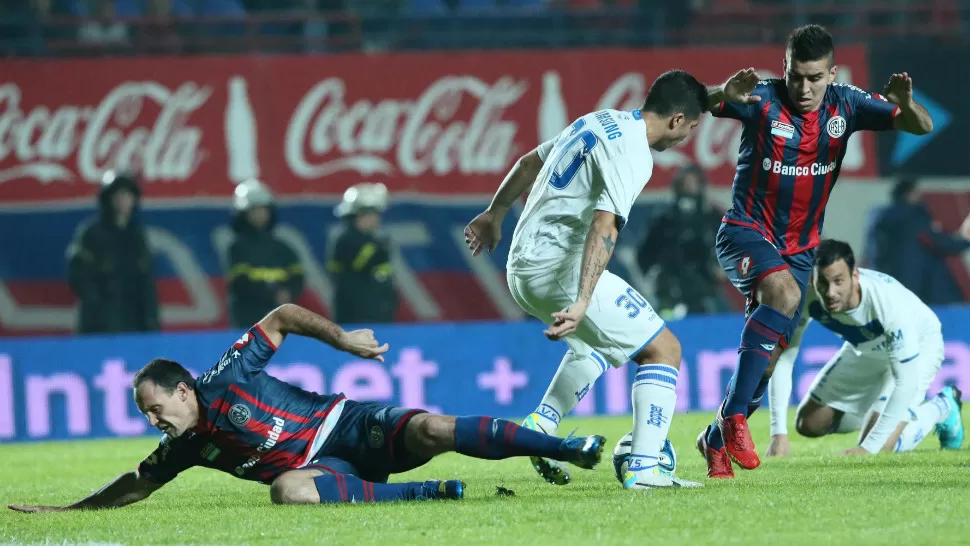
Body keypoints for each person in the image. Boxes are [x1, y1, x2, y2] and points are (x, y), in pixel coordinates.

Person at [464, 68, 761, 490]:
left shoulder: (599, 120)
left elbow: (529, 162)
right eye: (691, 127)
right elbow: (605, 225)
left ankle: (541, 426)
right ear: (677, 120)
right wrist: (583, 298)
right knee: (664, 349)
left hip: (522, 267)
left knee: (592, 348)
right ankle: (645, 468)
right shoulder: (633, 154)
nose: (686, 137)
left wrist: (494, 214)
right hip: (557, 268)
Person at [7, 304, 605, 512]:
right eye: (146, 415)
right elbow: (137, 484)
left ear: (184, 391)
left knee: (432, 426)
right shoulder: (183, 447)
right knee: (289, 492)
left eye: (155, 407)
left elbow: (283, 315)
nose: (153, 420)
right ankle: (432, 494)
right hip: (329, 473)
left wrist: (342, 338)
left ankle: (564, 446)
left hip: (350, 425)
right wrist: (69, 508)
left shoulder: (225, 376)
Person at [696, 24, 935, 479]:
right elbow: (701, 101)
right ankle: (733, 420)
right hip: (745, 231)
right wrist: (721, 92)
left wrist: (903, 104)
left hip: (800, 251)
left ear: (832, 73)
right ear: (784, 69)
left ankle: (713, 438)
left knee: (764, 366)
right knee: (784, 296)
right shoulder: (762, 98)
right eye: (795, 76)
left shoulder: (848, 102)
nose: (803, 88)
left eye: (814, 78)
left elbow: (920, 126)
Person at [762, 240, 963, 456]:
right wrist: (778, 435)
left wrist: (868, 448)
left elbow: (907, 381)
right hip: (867, 349)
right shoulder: (806, 297)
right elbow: (785, 356)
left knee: (881, 446)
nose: (830, 292)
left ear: (855, 276)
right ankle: (880, 415)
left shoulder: (887, 302)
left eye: (838, 281)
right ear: (813, 279)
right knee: (809, 424)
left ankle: (942, 407)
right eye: (823, 283)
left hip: (919, 346)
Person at [66, 170, 160, 334]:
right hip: (98, 325)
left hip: (133, 323)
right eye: (118, 194)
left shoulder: (137, 236)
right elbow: (78, 275)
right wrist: (97, 306)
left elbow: (146, 283)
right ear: (107, 198)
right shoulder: (90, 234)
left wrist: (151, 322)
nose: (122, 200)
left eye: (127, 195)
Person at [637, 163, 727, 318]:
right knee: (669, 327)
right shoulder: (664, 219)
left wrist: (723, 268)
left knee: (710, 331)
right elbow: (646, 252)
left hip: (703, 289)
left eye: (693, 183)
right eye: (685, 183)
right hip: (670, 288)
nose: (689, 188)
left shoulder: (712, 217)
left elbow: (728, 248)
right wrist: (651, 274)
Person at [227, 179, 304, 329]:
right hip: (247, 320)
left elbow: (298, 278)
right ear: (242, 214)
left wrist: (288, 293)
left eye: (263, 209)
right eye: (254, 210)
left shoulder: (282, 247)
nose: (260, 214)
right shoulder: (237, 247)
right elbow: (239, 284)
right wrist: (272, 295)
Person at [328, 182, 397, 324]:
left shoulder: (374, 241)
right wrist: (374, 248)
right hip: (355, 316)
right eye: (372, 214)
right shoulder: (344, 240)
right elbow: (354, 270)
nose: (376, 219)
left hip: (380, 314)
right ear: (358, 215)